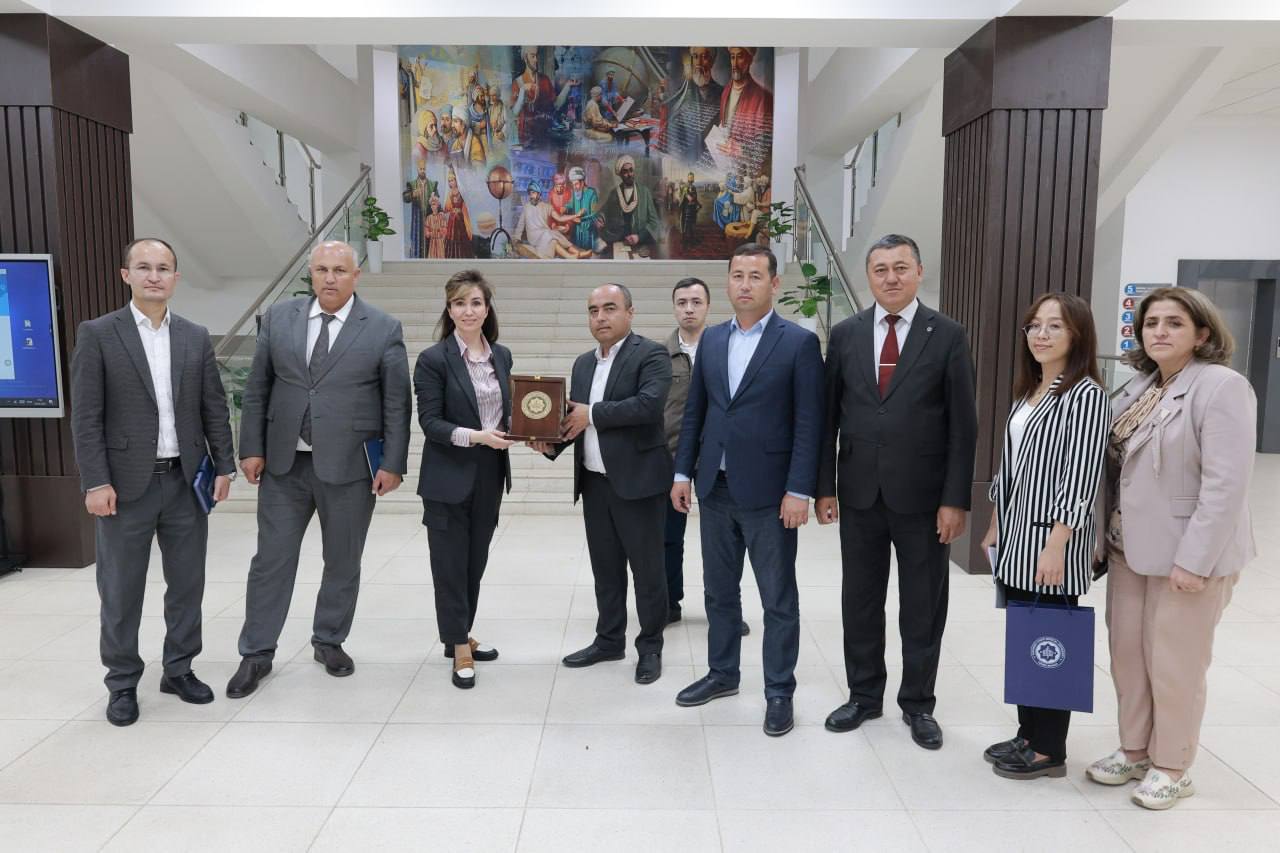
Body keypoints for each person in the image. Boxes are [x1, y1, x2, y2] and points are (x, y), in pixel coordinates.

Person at [1085, 287, 1256, 810]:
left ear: (1202, 333)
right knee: (1128, 657)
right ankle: (1136, 750)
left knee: (1174, 663)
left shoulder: (1222, 387)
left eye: (1174, 323)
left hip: (1187, 554)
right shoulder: (1140, 385)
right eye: (1151, 322)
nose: (1159, 331)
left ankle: (1173, 765)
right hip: (1129, 548)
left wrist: (1194, 561)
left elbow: (1225, 486)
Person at [227, 240, 412, 698]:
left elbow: (397, 402)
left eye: (340, 270)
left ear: (356, 275)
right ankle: (256, 652)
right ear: (310, 273)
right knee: (271, 560)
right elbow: (258, 388)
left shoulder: (383, 327)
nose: (330, 278)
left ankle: (329, 640)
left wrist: (392, 463)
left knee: (343, 560)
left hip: (351, 467)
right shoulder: (279, 318)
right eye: (322, 269)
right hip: (284, 464)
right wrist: (250, 448)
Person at [816, 233, 978, 750]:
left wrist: (955, 499)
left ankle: (918, 703)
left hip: (925, 500)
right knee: (860, 601)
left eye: (901, 267)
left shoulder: (947, 335)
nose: (891, 277)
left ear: (919, 272)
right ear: (868, 276)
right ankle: (864, 695)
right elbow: (827, 418)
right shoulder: (845, 334)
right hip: (859, 493)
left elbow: (963, 426)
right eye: (881, 269)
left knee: (922, 605)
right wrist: (824, 488)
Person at [70, 238, 236, 727]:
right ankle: (122, 682)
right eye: (143, 267)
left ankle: (179, 669)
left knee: (186, 584)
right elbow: (86, 417)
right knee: (121, 590)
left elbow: (213, 406)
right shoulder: (99, 334)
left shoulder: (194, 336)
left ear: (176, 278)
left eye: (163, 268)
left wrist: (223, 466)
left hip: (185, 481)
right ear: (126, 275)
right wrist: (95, 481)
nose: (154, 276)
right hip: (124, 488)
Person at [672, 244, 824, 737]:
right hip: (714, 487)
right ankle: (722, 673)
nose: (744, 284)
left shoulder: (798, 343)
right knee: (719, 591)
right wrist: (682, 473)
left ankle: (779, 691)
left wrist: (799, 489)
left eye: (755, 276)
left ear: (774, 284)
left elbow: (809, 424)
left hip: (770, 494)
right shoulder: (713, 339)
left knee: (777, 598)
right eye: (737, 275)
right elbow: (696, 412)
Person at [978, 293, 1110, 779]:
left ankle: (1049, 749)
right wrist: (995, 521)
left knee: (1051, 643)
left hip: (1052, 543)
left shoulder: (1085, 396)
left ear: (1078, 335)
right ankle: (1027, 733)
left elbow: (1081, 476)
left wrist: (1057, 545)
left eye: (1055, 326)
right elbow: (1010, 465)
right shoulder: (1030, 391)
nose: (1041, 334)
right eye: (1034, 325)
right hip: (1016, 537)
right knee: (1026, 638)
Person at [529, 284, 673, 685]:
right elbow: (573, 419)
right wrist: (550, 443)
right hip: (594, 483)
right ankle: (609, 640)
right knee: (605, 569)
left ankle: (650, 647)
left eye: (610, 308)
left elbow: (648, 406)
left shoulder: (651, 354)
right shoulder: (582, 364)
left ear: (630, 312)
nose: (600, 317)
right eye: (593, 310)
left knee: (647, 572)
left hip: (639, 482)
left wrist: (591, 414)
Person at [414, 271, 515, 689]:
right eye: (459, 303)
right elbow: (431, 423)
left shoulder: (501, 356)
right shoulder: (433, 359)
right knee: (450, 566)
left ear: (487, 308)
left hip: (490, 476)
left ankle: (460, 632)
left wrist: (532, 432)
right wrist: (478, 437)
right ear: (449, 309)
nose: (468, 311)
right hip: (447, 478)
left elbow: (509, 414)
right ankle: (458, 646)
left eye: (475, 302)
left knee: (475, 563)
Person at [717, 47, 773, 175]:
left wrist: (741, 149)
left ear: (750, 59)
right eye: (732, 57)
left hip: (749, 173)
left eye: (740, 57)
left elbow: (765, 149)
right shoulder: (726, 92)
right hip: (729, 168)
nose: (735, 64)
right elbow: (725, 126)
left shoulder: (763, 98)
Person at [665, 46, 723, 164]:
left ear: (712, 61)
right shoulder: (680, 96)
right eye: (696, 57)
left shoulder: (723, 94)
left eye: (704, 57)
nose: (699, 63)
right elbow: (673, 140)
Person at [600, 154, 661, 258]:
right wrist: (601, 219)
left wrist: (639, 237)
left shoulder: (644, 192)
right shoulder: (614, 193)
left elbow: (654, 222)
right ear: (620, 174)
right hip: (619, 241)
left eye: (631, 170)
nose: (629, 174)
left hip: (640, 242)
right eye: (625, 171)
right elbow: (604, 212)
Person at [512, 180, 586, 259]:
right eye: (532, 193)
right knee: (549, 234)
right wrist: (517, 238)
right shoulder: (526, 207)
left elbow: (560, 218)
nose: (533, 196)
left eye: (535, 193)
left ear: (539, 194)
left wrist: (575, 215)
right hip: (534, 237)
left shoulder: (547, 206)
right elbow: (520, 225)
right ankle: (573, 255)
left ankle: (576, 254)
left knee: (553, 238)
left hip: (545, 234)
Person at [510, 45, 556, 145]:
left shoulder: (545, 80)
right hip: (526, 138)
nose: (536, 60)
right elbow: (515, 112)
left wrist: (568, 86)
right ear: (525, 58)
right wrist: (522, 90)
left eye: (537, 56)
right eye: (533, 56)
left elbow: (555, 104)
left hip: (544, 136)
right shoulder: (517, 82)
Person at [402, 153, 438, 259]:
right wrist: (413, 194)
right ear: (417, 170)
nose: (422, 171)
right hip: (417, 218)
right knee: (417, 240)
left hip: (429, 217)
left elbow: (437, 200)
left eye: (424, 169)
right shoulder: (412, 184)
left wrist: (434, 199)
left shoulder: (432, 184)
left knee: (430, 241)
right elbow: (405, 198)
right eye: (421, 169)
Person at [565, 166, 604, 255]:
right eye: (573, 185)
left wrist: (581, 220)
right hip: (577, 233)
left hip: (589, 233)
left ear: (582, 183)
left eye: (576, 184)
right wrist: (566, 208)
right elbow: (571, 204)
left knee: (589, 255)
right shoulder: (575, 193)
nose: (574, 187)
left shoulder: (592, 193)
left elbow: (595, 215)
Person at [443, 166, 474, 259]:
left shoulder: (461, 192)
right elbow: (447, 208)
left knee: (461, 237)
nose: (451, 183)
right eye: (449, 181)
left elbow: (465, 208)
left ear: (456, 180)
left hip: (460, 220)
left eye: (452, 180)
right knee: (451, 236)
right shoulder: (449, 193)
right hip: (452, 220)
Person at [678, 173, 701, 246]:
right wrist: (688, 196)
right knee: (686, 224)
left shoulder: (693, 187)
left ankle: (691, 240)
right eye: (690, 177)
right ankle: (684, 241)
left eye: (692, 177)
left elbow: (695, 198)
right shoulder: (685, 187)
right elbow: (687, 197)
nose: (691, 179)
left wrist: (698, 204)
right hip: (687, 208)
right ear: (687, 178)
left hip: (693, 208)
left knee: (692, 224)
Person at [425, 193, 448, 259]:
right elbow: (426, 232)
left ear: (437, 205)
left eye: (434, 204)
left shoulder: (441, 216)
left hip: (440, 242)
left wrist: (438, 232)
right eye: (432, 205)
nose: (433, 206)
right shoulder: (429, 217)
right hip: (432, 242)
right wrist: (430, 233)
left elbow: (444, 231)